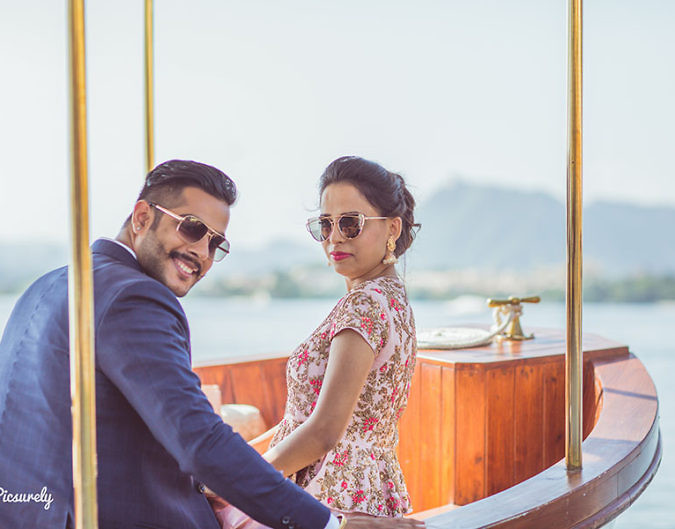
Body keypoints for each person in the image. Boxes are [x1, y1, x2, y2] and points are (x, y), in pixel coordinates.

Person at [0, 160, 424, 529]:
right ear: (142, 217)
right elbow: (199, 442)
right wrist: (329, 525)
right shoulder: (134, 298)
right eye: (192, 228)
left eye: (215, 242)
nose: (201, 251)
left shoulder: (47, 285)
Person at [214, 156, 420, 528]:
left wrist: (240, 482)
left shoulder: (365, 304)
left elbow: (324, 431)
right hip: (365, 493)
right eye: (325, 225)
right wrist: (238, 463)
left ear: (392, 228)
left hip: (331, 498)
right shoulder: (392, 297)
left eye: (350, 223)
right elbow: (303, 423)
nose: (334, 237)